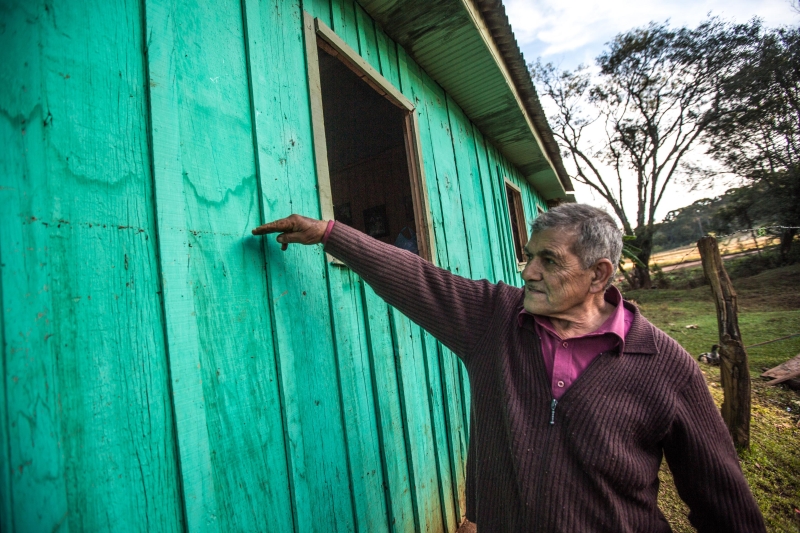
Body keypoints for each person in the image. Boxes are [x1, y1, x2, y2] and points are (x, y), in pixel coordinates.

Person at [252, 204, 765, 533]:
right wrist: (329, 233)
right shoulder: (494, 318)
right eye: (527, 256)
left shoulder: (665, 366)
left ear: (598, 274)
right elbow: (419, 278)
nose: (528, 271)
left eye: (548, 260)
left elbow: (720, 497)